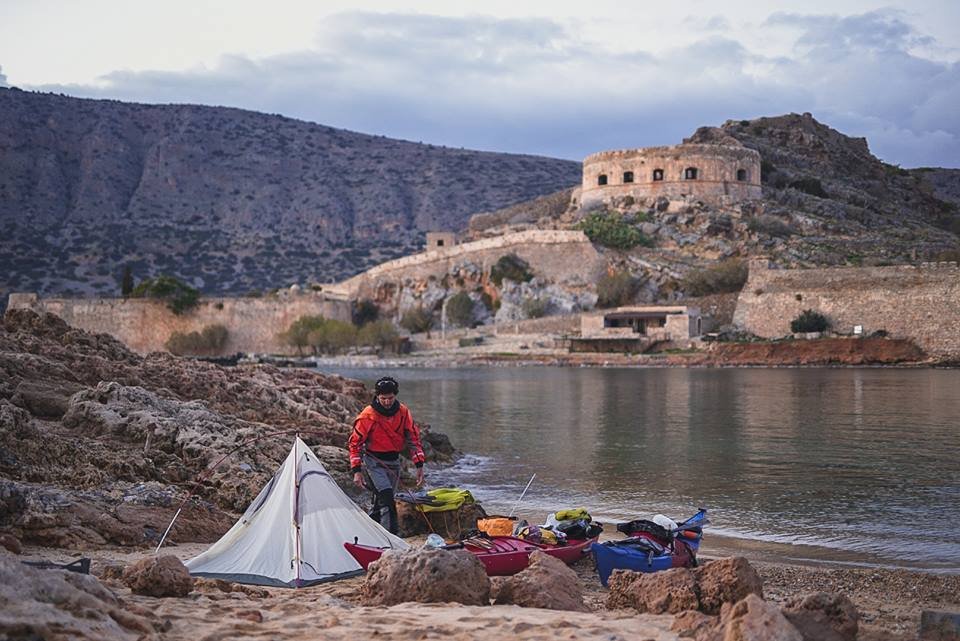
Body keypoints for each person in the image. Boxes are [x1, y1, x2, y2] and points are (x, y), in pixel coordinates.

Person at [348, 376, 425, 534]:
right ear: (377, 396)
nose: (387, 402)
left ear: (395, 396)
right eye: (383, 398)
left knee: (380, 503)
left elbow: (413, 439)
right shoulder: (367, 416)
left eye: (390, 398)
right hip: (374, 462)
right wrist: (356, 471)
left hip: (394, 462)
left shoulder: (403, 412)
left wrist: (419, 465)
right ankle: (391, 538)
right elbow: (354, 443)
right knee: (387, 499)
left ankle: (367, 531)